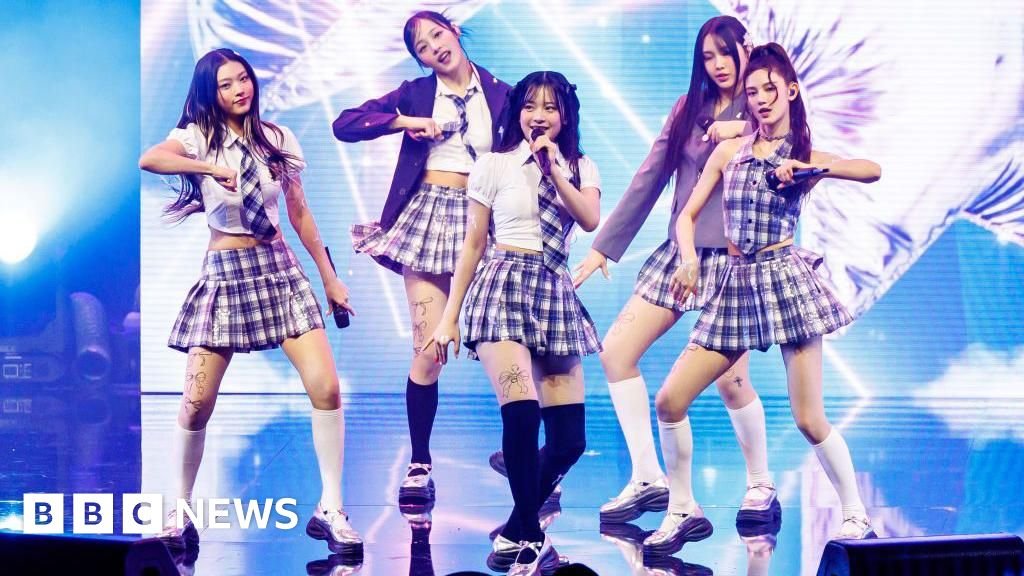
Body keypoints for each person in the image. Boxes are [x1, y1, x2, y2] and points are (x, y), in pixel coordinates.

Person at [645, 42, 881, 556]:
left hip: (785, 280)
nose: (760, 99)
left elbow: (871, 169)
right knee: (669, 400)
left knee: (808, 418)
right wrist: (688, 257)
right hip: (736, 284)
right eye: (752, 92)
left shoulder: (802, 153)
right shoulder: (731, 150)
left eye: (769, 89)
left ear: (790, 91)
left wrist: (814, 170)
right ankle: (682, 509)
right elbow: (686, 215)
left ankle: (856, 515)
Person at [139, 48, 361, 556]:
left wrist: (329, 279)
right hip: (226, 272)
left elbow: (300, 214)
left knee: (326, 387)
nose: (240, 89)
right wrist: (208, 168)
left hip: (279, 270)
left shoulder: (278, 139)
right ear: (210, 93)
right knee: (197, 402)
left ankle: (331, 507)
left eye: (243, 79)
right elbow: (150, 158)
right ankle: (179, 509)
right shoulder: (197, 136)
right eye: (226, 84)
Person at [571, 15, 777, 528]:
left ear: (746, 49)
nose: (718, 65)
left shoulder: (763, 102)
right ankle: (647, 476)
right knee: (616, 350)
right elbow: (651, 174)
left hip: (734, 260)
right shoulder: (688, 109)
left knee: (732, 381)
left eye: (726, 52)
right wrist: (604, 248)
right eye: (708, 57)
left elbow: (789, 136)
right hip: (680, 253)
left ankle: (760, 483)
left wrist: (743, 127)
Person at [332, 11, 509, 505]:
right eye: (423, 47)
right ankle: (419, 462)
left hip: (485, 220)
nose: (434, 47)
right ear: (420, 60)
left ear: (455, 32)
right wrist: (404, 122)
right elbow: (345, 124)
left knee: (505, 343)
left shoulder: (502, 93)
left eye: (437, 34)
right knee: (429, 349)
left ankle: (522, 456)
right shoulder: (415, 93)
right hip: (428, 217)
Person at [429, 71, 601, 575]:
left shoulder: (580, 166)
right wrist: (449, 318)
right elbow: (473, 244)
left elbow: (589, 219)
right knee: (523, 415)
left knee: (569, 441)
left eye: (549, 107)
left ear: (565, 115)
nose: (538, 116)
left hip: (554, 291)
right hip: (503, 286)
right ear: (517, 113)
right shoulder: (494, 165)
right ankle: (530, 537)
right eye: (529, 106)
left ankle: (513, 531)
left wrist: (556, 172)